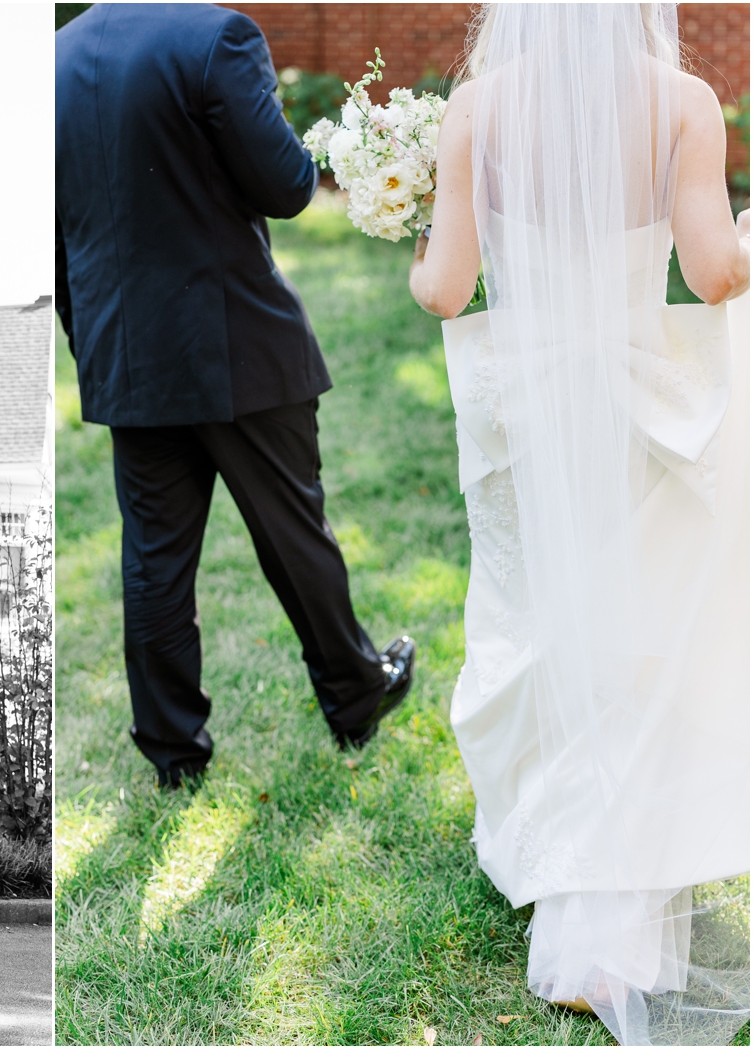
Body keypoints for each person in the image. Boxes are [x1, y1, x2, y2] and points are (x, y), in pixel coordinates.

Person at [409, 4, 750, 1044]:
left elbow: (446, 287)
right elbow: (711, 274)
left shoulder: (475, 109)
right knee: (639, 636)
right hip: (642, 403)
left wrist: (409, 235)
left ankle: (571, 883)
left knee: (541, 626)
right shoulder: (684, 104)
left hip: (529, 414)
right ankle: (623, 905)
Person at [55, 3, 416, 787]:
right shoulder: (217, 37)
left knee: (154, 561)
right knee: (294, 530)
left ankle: (173, 752)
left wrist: (93, 344)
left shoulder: (54, 58)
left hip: (129, 358)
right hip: (239, 347)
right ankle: (355, 695)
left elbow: (56, 235)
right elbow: (287, 185)